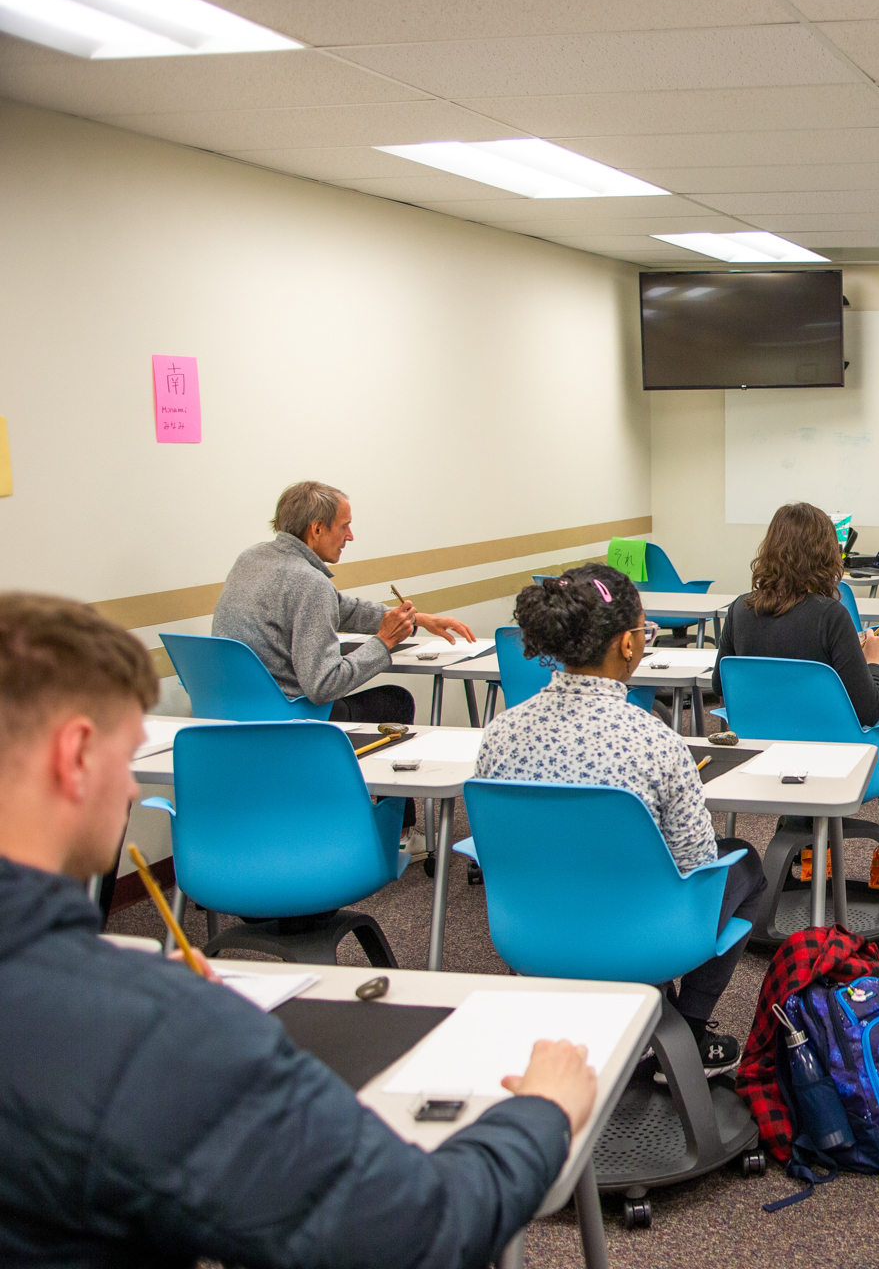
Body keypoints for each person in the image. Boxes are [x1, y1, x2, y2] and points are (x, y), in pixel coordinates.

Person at [0, 592, 596, 1268]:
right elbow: (417, 1233)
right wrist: (543, 1112)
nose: (133, 792)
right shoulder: (135, 1034)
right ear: (75, 755)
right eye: (124, 757)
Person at [476, 565, 767, 1074]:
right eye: (644, 632)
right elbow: (696, 862)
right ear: (627, 645)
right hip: (644, 932)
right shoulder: (654, 741)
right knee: (744, 866)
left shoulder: (500, 732)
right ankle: (686, 1029)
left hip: (532, 927)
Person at [713, 502, 879, 891]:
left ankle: (812, 857)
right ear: (826, 555)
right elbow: (869, 710)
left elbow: (720, 689)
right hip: (836, 761)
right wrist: (873, 662)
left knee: (804, 728)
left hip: (762, 756)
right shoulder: (831, 615)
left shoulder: (740, 609)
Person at [211, 480, 474, 724]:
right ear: (316, 529)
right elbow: (323, 686)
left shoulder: (250, 558)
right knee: (396, 701)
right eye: (344, 526)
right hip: (290, 717)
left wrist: (418, 619)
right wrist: (383, 642)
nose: (350, 536)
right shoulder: (309, 581)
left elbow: (338, 608)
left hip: (230, 710)